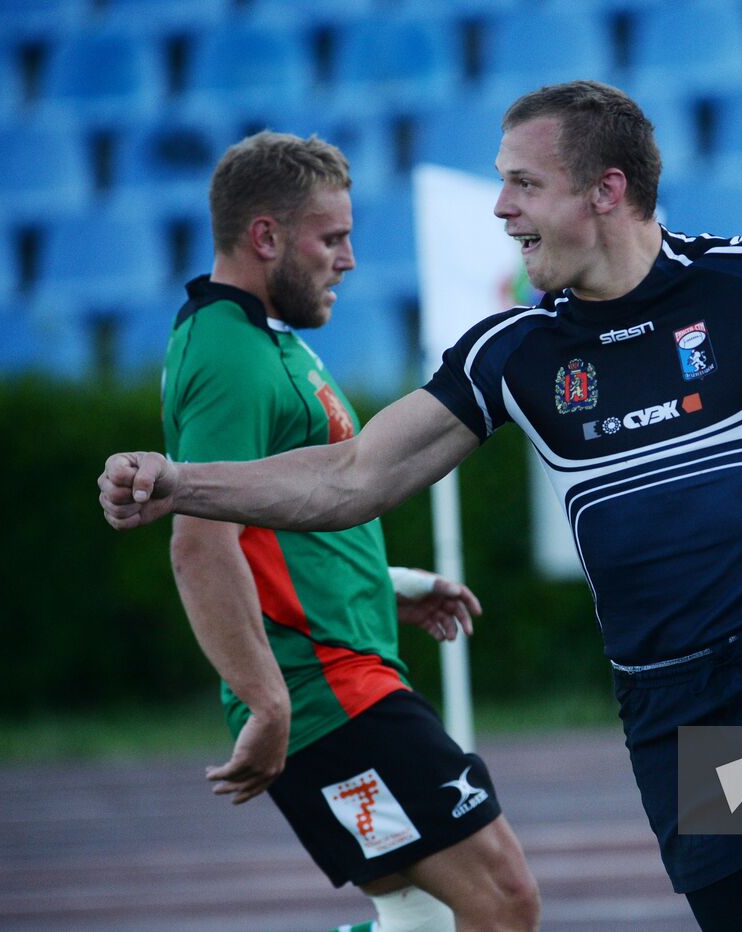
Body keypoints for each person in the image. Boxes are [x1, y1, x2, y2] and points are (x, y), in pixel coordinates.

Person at [101, 84, 742, 931]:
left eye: (522, 184)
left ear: (608, 189)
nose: (503, 209)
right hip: (676, 712)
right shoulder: (512, 351)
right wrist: (183, 481)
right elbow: (351, 478)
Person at [158, 131, 539, 932]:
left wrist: (389, 587)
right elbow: (201, 540)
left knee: (422, 916)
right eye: (331, 238)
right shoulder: (229, 354)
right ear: (266, 237)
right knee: (503, 903)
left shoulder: (268, 343)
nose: (350, 260)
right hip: (331, 696)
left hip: (343, 680)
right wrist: (266, 702)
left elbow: (285, 521)